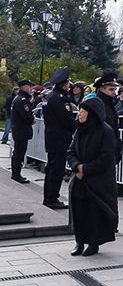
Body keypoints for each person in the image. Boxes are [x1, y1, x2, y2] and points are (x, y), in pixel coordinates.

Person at [67, 97, 119, 256]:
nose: (80, 114)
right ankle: (79, 241)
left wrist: (86, 169)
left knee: (95, 212)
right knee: (79, 211)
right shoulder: (80, 130)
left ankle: (94, 243)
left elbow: (105, 158)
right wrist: (77, 166)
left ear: (92, 113)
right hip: (80, 178)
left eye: (83, 112)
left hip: (98, 181)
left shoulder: (106, 131)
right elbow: (71, 152)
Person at [42, 67, 76, 210]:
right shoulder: (60, 98)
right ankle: (52, 198)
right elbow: (66, 119)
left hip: (51, 136)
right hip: (59, 137)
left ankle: (49, 197)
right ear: (65, 83)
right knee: (56, 169)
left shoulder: (49, 96)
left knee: (51, 168)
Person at [9, 80, 35, 183]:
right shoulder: (22, 100)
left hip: (18, 129)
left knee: (17, 152)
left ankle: (15, 173)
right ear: (24, 87)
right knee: (19, 152)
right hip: (22, 130)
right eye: (29, 87)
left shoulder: (19, 99)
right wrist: (31, 119)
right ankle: (16, 174)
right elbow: (27, 116)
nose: (31, 89)